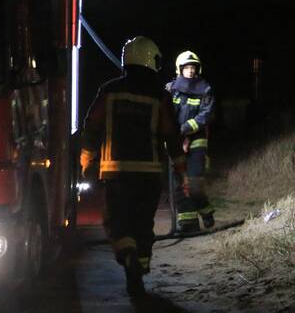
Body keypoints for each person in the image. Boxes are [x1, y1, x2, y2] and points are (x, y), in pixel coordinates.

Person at [80, 36, 186, 299]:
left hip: (114, 171)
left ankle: (127, 255)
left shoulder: (110, 90)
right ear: (150, 59)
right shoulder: (160, 95)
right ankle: (140, 266)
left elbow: (91, 125)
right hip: (149, 172)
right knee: (142, 222)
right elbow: (171, 134)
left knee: (117, 220)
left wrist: (86, 159)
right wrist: (181, 168)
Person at [166, 50, 216, 232]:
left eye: (193, 67)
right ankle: (189, 224)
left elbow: (206, 115)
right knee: (180, 183)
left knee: (193, 182)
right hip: (175, 141)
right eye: (186, 67)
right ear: (179, 69)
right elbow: (165, 114)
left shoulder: (205, 89)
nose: (190, 71)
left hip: (197, 141)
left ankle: (206, 211)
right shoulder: (170, 89)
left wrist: (186, 130)